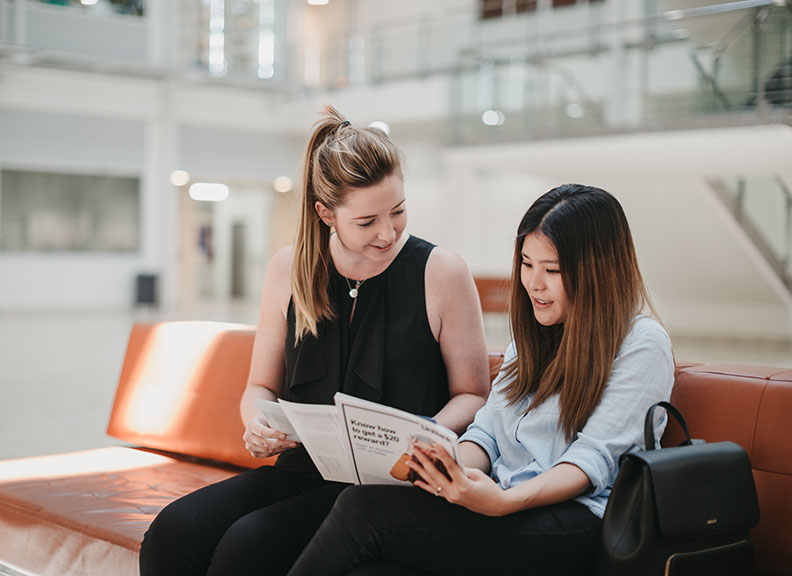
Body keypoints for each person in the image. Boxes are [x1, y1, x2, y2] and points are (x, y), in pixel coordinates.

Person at [138, 107, 491, 576]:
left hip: (388, 487)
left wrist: (423, 440)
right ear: (326, 213)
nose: (388, 233)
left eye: (399, 211)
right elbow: (259, 388)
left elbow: (474, 395)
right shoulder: (289, 268)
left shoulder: (442, 272)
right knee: (171, 533)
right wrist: (256, 425)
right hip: (301, 471)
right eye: (366, 222)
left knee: (249, 547)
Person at [287, 183, 676, 576]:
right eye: (526, 264)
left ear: (598, 271)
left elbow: (592, 461)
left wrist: (503, 502)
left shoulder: (642, 344)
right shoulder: (534, 337)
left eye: (552, 270)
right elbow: (487, 434)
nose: (534, 283)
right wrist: (446, 467)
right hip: (504, 502)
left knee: (361, 510)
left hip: (578, 521)